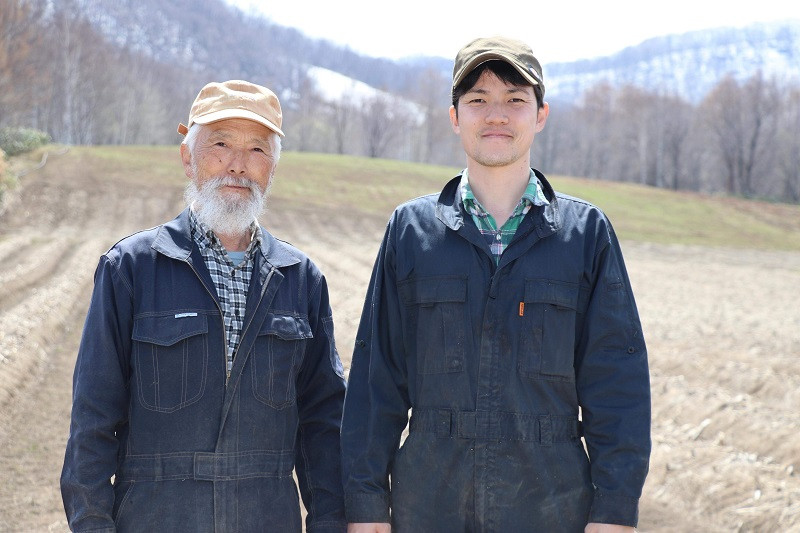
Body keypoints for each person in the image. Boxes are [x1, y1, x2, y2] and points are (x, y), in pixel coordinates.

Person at [340, 37, 651, 533]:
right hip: (429, 508)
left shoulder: (586, 235)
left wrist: (615, 509)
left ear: (541, 114)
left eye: (515, 99)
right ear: (455, 116)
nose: (496, 115)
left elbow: (617, 384)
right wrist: (365, 503)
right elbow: (377, 381)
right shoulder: (411, 231)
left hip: (552, 510)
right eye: (478, 100)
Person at [61, 80, 347, 532]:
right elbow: (92, 422)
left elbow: (323, 426)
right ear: (187, 158)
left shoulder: (301, 279)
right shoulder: (131, 269)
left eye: (257, 149)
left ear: (272, 168)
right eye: (220, 144)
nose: (238, 165)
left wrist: (331, 522)